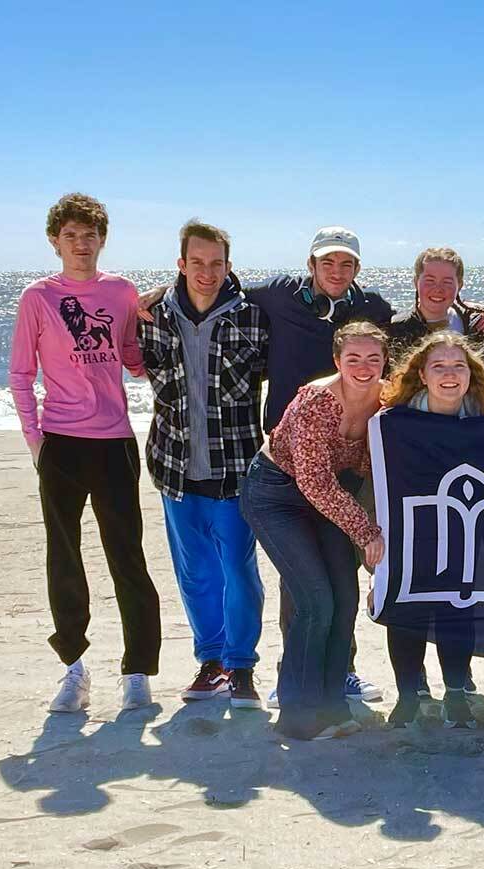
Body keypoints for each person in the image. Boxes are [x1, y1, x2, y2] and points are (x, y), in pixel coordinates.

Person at [143, 225, 391, 704]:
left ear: (358, 269)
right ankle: (282, 672)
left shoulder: (373, 310)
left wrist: (469, 316)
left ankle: (341, 672)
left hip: (340, 461)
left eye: (346, 263)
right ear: (311, 264)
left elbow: (414, 331)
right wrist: (154, 293)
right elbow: (218, 288)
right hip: (281, 462)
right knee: (298, 582)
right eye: (326, 262)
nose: (336, 271)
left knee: (336, 578)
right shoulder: (277, 297)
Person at [8, 192, 162, 714]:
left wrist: (158, 318)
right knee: (65, 558)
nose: (81, 244)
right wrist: (35, 440)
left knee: (128, 559)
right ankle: (73, 669)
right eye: (71, 235)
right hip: (61, 445)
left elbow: (132, 360)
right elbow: (21, 374)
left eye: (90, 235)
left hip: (115, 442)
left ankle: (138, 671)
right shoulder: (38, 296)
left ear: (103, 239)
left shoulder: (121, 291)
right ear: (55, 241)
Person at [139, 220, 269, 709]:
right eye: (197, 262)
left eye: (216, 263)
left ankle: (241, 666)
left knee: (239, 570)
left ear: (228, 266)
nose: (207, 272)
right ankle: (210, 661)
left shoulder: (254, 317)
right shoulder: (151, 315)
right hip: (173, 467)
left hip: (235, 469)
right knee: (195, 574)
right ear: (181, 264)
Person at [239, 322, 388, 741]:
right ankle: (297, 714)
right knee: (315, 600)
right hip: (277, 495)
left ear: (384, 361)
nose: (363, 367)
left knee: (344, 598)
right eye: (353, 359)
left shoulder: (386, 399)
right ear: (338, 361)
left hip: (332, 499)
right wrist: (366, 532)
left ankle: (333, 706)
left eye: (373, 359)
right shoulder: (317, 401)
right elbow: (314, 481)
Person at [381, 332, 484, 729]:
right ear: (422, 373)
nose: (449, 375)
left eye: (458, 366)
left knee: (458, 608)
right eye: (439, 366)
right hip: (411, 529)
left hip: (466, 530)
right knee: (405, 612)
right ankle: (407, 695)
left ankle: (456, 694)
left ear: (471, 374)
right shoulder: (395, 420)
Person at [386, 247, 484, 361]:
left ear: (460, 285)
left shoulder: (477, 325)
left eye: (447, 282)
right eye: (430, 280)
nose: (438, 289)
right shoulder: (398, 329)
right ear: (416, 282)